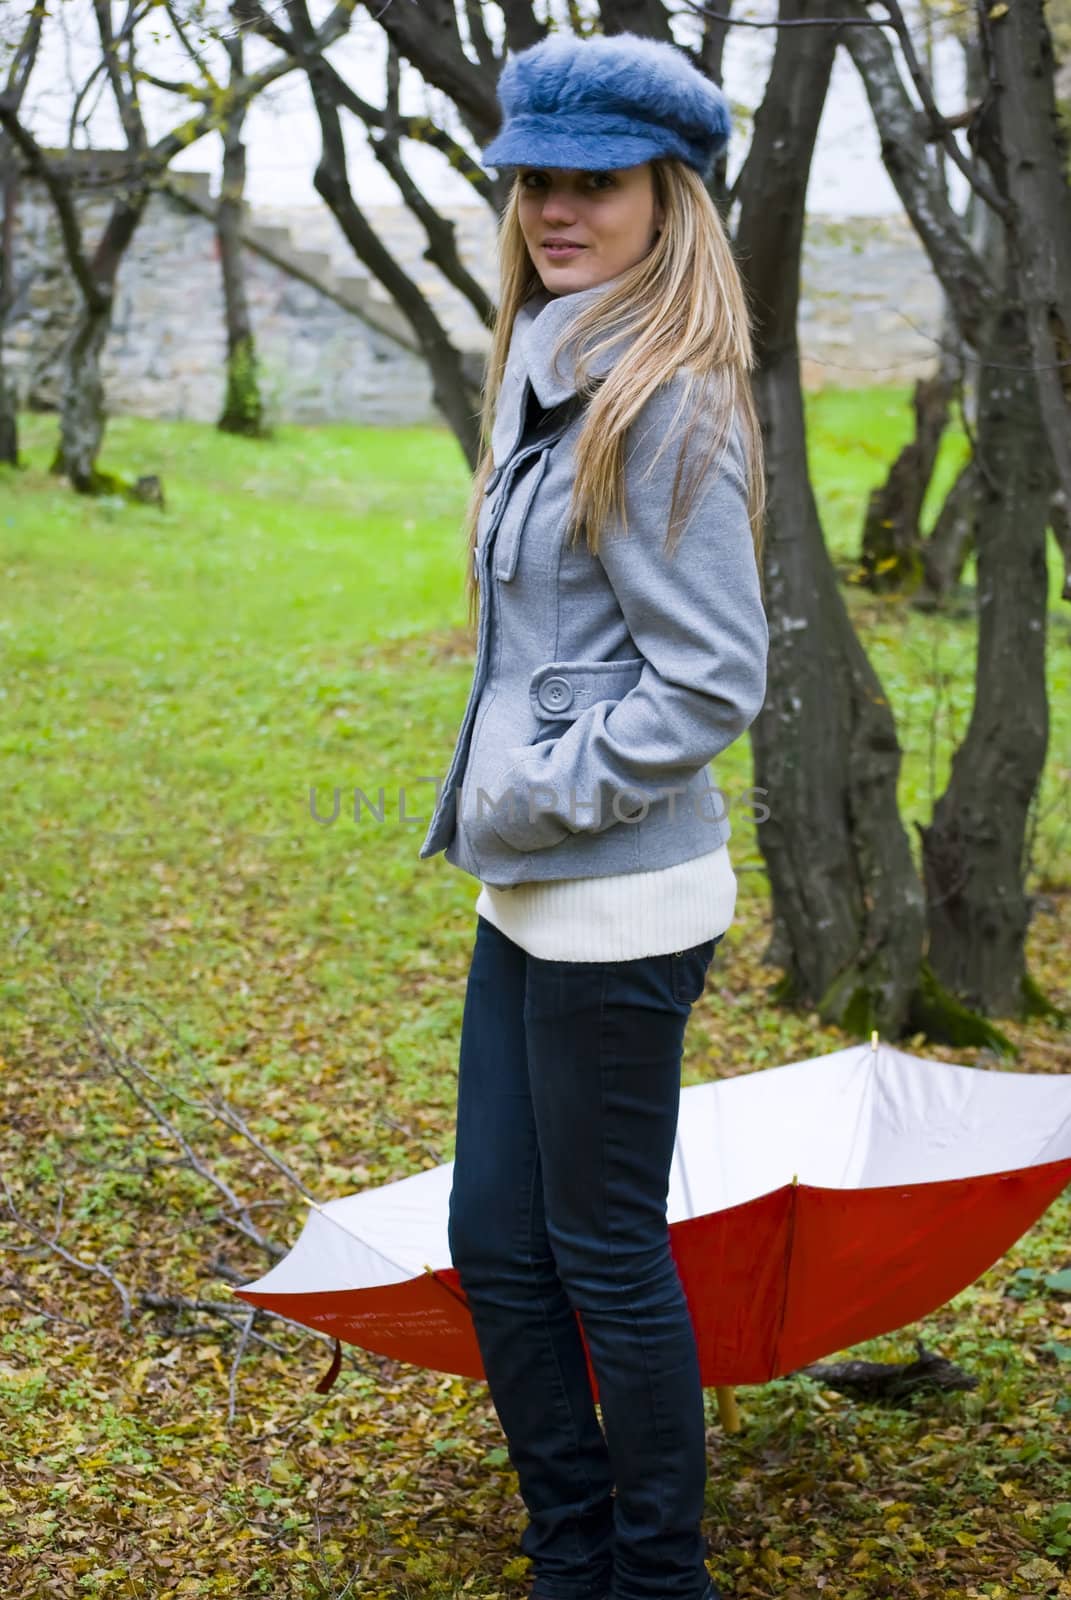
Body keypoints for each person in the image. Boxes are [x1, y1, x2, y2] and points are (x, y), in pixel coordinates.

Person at [418, 30, 769, 1600]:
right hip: (533, 892)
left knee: (605, 1258)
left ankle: (653, 1574)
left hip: (617, 899)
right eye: (538, 181)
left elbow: (712, 681)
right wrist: (514, 815)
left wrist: (534, 794)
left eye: (598, 182)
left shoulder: (669, 402)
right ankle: (572, 1554)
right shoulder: (549, 362)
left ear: (664, 196)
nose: (561, 208)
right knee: (501, 1244)